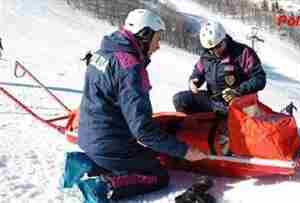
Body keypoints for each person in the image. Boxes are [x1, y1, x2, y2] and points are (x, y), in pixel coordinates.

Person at [62, 9, 207, 203]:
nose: (158, 46)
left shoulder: (103, 53)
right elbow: (143, 130)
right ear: (144, 35)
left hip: (89, 136)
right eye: (157, 38)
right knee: (157, 174)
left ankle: (85, 163)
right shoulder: (130, 69)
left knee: (145, 156)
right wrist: (185, 151)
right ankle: (104, 186)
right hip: (109, 143)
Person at [173, 20, 267, 116]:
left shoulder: (243, 53)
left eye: (218, 46)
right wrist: (193, 82)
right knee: (180, 99)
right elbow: (197, 74)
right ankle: (193, 128)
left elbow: (259, 78)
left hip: (238, 104)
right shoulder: (206, 57)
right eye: (210, 49)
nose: (215, 51)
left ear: (224, 39)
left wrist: (237, 91)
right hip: (213, 101)